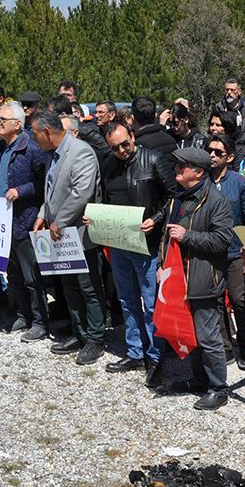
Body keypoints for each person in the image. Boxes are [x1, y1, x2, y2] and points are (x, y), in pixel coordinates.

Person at [154, 146, 236, 411]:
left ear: (199, 172)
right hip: (178, 280)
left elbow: (224, 240)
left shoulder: (216, 201)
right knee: (190, 334)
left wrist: (187, 236)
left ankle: (218, 388)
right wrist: (161, 265)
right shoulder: (177, 197)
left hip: (203, 280)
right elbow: (166, 237)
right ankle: (199, 380)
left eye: (182, 166)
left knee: (209, 338)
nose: (177, 170)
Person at [30, 109, 105, 365]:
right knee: (69, 286)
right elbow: (52, 191)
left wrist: (59, 221)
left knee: (88, 286)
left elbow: (80, 193)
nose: (34, 138)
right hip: (59, 233)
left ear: (47, 132)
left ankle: (95, 338)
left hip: (79, 232)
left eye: (35, 133)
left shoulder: (80, 151)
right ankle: (80, 333)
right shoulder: (53, 154)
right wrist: (43, 214)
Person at [98, 122, 170, 376]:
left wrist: (157, 219)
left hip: (147, 245)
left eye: (124, 144)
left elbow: (172, 197)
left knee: (151, 303)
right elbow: (105, 199)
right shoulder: (108, 164)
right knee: (127, 300)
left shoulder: (153, 159)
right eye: (115, 147)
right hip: (120, 244)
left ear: (132, 135)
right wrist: (95, 218)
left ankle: (156, 355)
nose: (121, 150)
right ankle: (135, 351)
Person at [0, 102, 50, 340]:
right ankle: (23, 314)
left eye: (2, 120)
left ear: (17, 124)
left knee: (31, 275)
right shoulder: (0, 147)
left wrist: (21, 191)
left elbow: (44, 182)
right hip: (3, 221)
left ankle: (40, 321)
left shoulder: (32, 148)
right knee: (13, 274)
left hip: (25, 221)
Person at [205, 132, 245, 371]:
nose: (212, 156)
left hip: (235, 252)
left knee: (239, 300)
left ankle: (244, 345)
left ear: (230, 157)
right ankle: (225, 346)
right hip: (210, 252)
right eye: (210, 151)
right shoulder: (201, 181)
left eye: (218, 152)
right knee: (215, 300)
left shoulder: (240, 183)